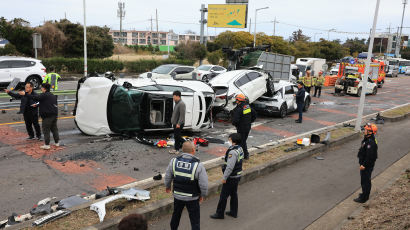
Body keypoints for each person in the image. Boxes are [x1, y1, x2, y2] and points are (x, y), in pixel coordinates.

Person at [165, 141, 208, 230]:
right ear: (193, 150)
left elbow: (168, 176)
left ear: (182, 150)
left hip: (177, 195)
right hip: (192, 197)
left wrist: (168, 186)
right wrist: (202, 195)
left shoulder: (174, 161)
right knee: (194, 220)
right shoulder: (198, 165)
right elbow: (203, 184)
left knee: (176, 215)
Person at [210, 133, 244, 220]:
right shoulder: (239, 148)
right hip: (237, 175)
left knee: (223, 196)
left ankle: (220, 213)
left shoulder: (232, 152)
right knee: (233, 194)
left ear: (234, 141)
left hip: (231, 177)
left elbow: (229, 167)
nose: (228, 141)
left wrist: (224, 178)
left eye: (229, 139)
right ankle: (233, 212)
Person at [19, 83, 59, 150]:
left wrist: (25, 94)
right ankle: (57, 143)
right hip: (54, 115)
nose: (41, 88)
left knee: (46, 130)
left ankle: (47, 145)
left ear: (44, 88)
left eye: (41, 87)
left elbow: (35, 97)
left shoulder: (44, 95)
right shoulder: (52, 95)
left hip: (47, 116)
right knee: (54, 129)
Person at [354, 123, 378, 203]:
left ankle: (364, 198)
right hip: (364, 164)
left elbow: (370, 156)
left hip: (366, 165)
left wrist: (364, 165)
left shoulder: (371, 143)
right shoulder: (367, 139)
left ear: (370, 132)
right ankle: (364, 194)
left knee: (365, 181)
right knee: (364, 181)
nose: (364, 131)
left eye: (366, 130)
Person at [231, 94, 256, 160]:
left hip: (241, 128)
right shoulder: (247, 106)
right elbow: (254, 115)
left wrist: (235, 124)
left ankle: (245, 155)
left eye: (236, 100)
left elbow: (235, 120)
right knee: (243, 141)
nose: (236, 101)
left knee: (242, 142)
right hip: (247, 127)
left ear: (238, 100)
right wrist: (250, 121)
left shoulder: (239, 109)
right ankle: (243, 155)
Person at [170, 90, 186, 154]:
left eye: (174, 96)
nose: (173, 98)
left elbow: (182, 115)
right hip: (175, 123)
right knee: (176, 136)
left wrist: (178, 124)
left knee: (177, 136)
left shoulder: (181, 104)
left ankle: (186, 144)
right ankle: (176, 149)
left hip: (179, 124)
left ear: (177, 96)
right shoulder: (177, 103)